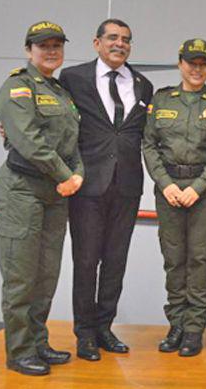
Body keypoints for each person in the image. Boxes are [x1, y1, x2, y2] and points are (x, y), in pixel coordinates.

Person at [0, 21, 83, 375]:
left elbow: (74, 143)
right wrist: (67, 176)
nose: (50, 51)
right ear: (29, 50)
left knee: (46, 276)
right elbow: (29, 141)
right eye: (43, 45)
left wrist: (77, 176)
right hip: (21, 192)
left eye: (57, 45)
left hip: (55, 195)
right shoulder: (17, 87)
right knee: (20, 277)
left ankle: (38, 342)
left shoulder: (61, 93)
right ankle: (19, 351)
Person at [59, 19, 153, 361]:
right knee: (85, 261)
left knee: (115, 261)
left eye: (126, 40)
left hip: (127, 184)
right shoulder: (73, 79)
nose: (120, 44)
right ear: (96, 43)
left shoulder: (143, 84)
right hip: (87, 184)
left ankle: (104, 327)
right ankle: (83, 333)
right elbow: (56, 119)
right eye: (112, 38)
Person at [142, 39, 206, 357]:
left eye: (203, 63)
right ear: (180, 63)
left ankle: (194, 329)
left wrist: (199, 186)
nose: (197, 69)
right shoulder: (162, 99)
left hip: (204, 191)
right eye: (191, 62)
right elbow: (149, 145)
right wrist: (165, 184)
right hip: (168, 188)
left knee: (201, 260)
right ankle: (176, 324)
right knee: (174, 259)